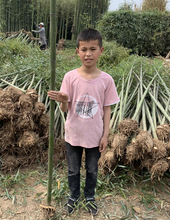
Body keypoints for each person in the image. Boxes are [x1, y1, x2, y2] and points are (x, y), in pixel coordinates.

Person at [47, 28, 120, 216]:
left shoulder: (106, 80)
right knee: (73, 170)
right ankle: (73, 196)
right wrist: (63, 100)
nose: (88, 54)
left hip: (95, 136)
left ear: (101, 51)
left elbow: (106, 109)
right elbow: (65, 109)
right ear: (77, 51)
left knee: (92, 170)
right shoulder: (70, 77)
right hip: (74, 134)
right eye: (84, 49)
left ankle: (89, 197)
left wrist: (105, 135)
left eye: (93, 49)